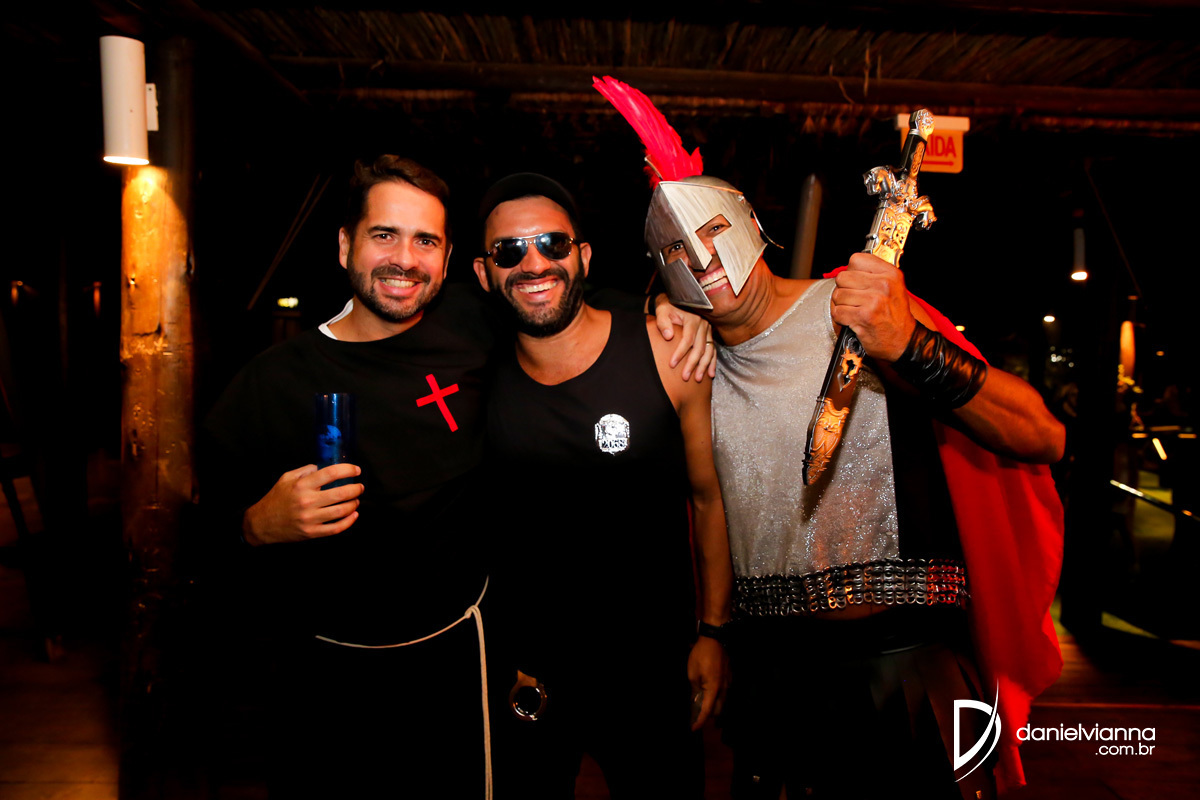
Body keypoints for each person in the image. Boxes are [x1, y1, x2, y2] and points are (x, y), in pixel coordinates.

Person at [596, 76, 1066, 799]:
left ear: (750, 220)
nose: (703, 260)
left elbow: (1041, 435)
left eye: (714, 231)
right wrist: (658, 306)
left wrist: (907, 344)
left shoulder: (859, 308)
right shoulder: (686, 361)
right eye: (676, 254)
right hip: (772, 682)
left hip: (906, 668)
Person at [201, 155, 715, 799]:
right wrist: (255, 525)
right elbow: (194, 545)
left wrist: (666, 307)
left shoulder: (471, 326)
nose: (405, 259)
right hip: (329, 674)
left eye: (425, 241)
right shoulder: (272, 381)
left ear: (448, 263)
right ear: (345, 245)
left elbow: (557, 299)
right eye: (384, 235)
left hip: (461, 664)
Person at [472, 173, 733, 799]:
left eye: (553, 244)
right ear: (484, 273)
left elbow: (709, 500)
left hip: (653, 670)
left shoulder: (668, 352)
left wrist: (713, 632)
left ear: (583, 257)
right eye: (510, 251)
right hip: (528, 675)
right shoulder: (474, 375)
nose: (534, 263)